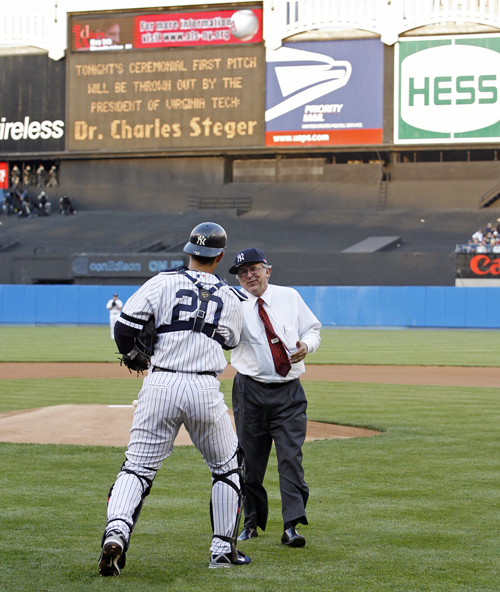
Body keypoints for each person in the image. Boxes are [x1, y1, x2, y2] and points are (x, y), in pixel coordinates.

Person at [98, 222, 251, 576]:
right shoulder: (230, 296)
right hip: (203, 388)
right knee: (226, 467)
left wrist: (134, 354)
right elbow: (230, 341)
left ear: (189, 251)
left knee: (137, 467)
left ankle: (117, 533)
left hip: (161, 384)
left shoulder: (162, 281)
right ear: (221, 256)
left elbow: (124, 328)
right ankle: (222, 550)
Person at [229, 248, 321, 548]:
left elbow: (313, 330)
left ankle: (291, 526)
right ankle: (251, 522)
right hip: (249, 391)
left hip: (289, 393)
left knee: (290, 460)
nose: (249, 275)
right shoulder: (234, 303)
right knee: (250, 463)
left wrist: (306, 345)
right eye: (242, 272)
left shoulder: (289, 297)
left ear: (268, 270)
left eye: (254, 269)